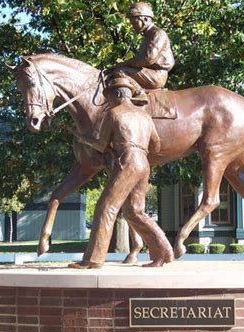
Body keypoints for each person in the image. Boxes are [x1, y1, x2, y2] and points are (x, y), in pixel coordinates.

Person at [67, 77, 173, 269]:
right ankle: (163, 252)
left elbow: (100, 145)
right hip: (143, 163)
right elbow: (156, 145)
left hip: (128, 162)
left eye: (108, 97)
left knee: (105, 207)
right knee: (134, 211)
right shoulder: (144, 116)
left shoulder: (113, 114)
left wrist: (82, 138)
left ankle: (93, 259)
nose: (107, 102)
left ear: (116, 95)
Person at [111, 2, 175, 101]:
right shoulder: (147, 36)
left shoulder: (158, 34)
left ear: (144, 19)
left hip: (157, 75)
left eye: (134, 22)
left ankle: (139, 93)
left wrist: (123, 64)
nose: (132, 26)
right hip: (151, 72)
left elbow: (148, 59)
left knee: (120, 71)